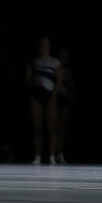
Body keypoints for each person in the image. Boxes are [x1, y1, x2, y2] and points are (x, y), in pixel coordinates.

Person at [25, 36, 62, 165]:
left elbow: (59, 82)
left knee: (51, 127)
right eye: (42, 45)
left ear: (50, 47)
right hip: (36, 96)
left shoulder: (55, 63)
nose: (44, 47)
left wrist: (54, 93)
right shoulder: (34, 62)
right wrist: (33, 81)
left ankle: (52, 156)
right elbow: (26, 81)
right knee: (37, 127)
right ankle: (37, 156)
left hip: (49, 95)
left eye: (47, 45)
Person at [55, 47, 75, 164]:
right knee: (55, 128)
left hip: (64, 100)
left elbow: (71, 86)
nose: (64, 58)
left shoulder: (67, 71)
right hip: (56, 100)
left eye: (65, 56)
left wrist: (72, 95)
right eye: (62, 55)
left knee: (62, 129)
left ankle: (60, 153)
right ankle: (53, 153)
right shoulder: (55, 69)